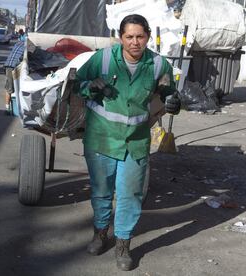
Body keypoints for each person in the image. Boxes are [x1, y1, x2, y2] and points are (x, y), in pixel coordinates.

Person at [76, 14, 181, 271]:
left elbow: (168, 91)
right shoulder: (102, 59)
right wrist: (91, 86)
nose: (135, 42)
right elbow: (76, 84)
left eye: (140, 36)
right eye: (129, 37)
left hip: (135, 141)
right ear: (120, 37)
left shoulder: (158, 65)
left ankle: (123, 244)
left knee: (130, 195)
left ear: (147, 35)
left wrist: (174, 102)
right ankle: (100, 233)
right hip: (101, 138)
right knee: (101, 192)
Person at [3, 41, 25, 115]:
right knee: (19, 87)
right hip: (15, 66)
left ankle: (7, 108)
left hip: (8, 65)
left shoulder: (18, 43)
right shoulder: (29, 46)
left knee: (9, 88)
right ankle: (16, 109)